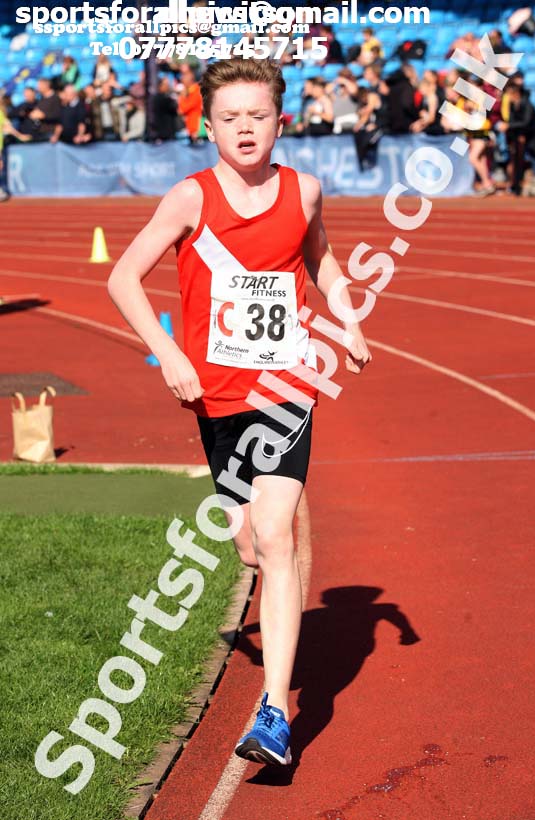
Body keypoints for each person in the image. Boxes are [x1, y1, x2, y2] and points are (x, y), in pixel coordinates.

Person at [107, 57, 371, 767]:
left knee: (277, 535)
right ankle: (271, 663)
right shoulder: (189, 199)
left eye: (258, 115)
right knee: (249, 545)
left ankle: (275, 711)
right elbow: (122, 275)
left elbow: (320, 261)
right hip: (214, 398)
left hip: (284, 386)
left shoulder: (304, 191)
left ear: (281, 121)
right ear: (208, 126)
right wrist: (168, 353)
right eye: (230, 117)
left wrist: (345, 323)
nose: (245, 127)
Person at [177, 64, 204, 142]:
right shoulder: (189, 91)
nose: (182, 78)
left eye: (185, 75)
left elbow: (182, 109)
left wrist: (182, 96)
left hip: (197, 129)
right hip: (191, 129)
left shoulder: (197, 91)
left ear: (191, 76)